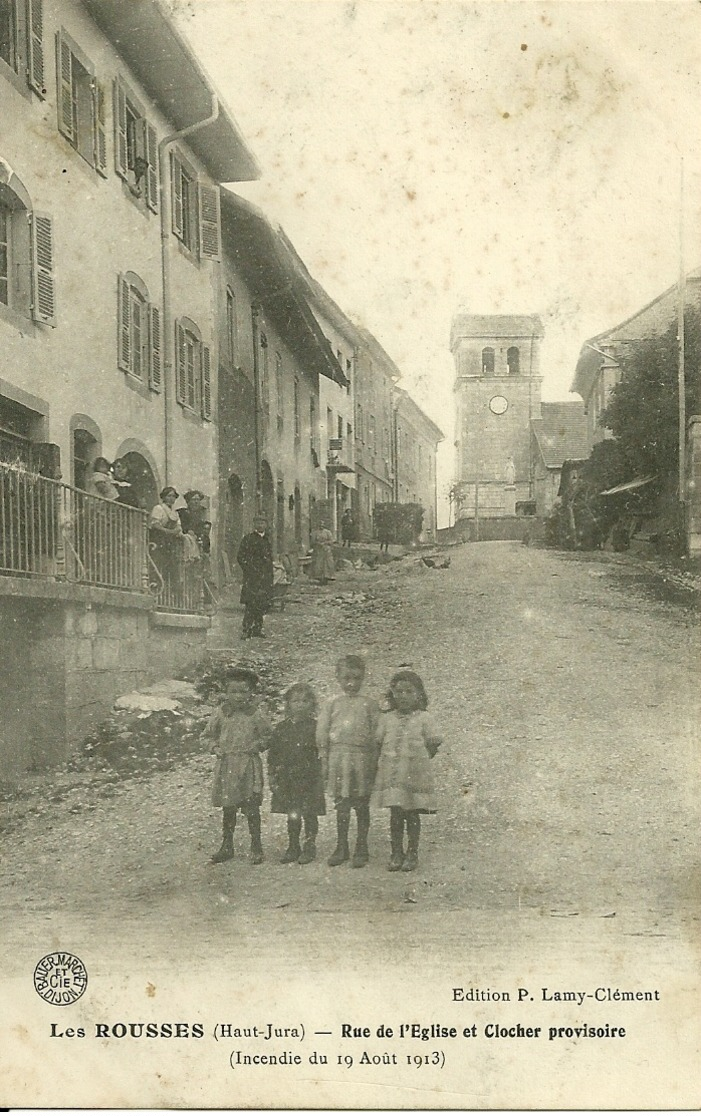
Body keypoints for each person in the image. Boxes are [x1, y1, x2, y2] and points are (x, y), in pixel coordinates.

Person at [374, 669, 442, 873]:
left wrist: (419, 762)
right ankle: (396, 852)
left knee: (412, 814)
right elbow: (378, 742)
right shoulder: (387, 719)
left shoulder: (424, 718)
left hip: (414, 774)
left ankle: (412, 852)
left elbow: (433, 743)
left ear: (419, 694)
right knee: (395, 814)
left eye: (409, 691)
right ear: (392, 694)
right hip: (393, 776)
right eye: (399, 691)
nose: (403, 696)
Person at [316, 654, 380, 869]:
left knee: (361, 804)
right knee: (342, 804)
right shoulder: (332, 704)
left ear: (363, 678)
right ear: (338, 678)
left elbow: (376, 734)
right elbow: (322, 732)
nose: (351, 683)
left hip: (361, 759)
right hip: (339, 758)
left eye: (356, 678)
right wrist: (324, 758)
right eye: (346, 678)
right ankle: (341, 846)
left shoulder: (370, 705)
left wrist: (374, 761)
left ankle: (361, 846)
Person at [203, 669, 272, 865]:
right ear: (225, 692)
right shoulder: (221, 714)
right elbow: (206, 736)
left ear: (251, 693)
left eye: (243, 692)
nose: (238, 696)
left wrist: (258, 746)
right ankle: (227, 845)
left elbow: (269, 736)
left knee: (252, 808)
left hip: (249, 766)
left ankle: (256, 845)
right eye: (233, 691)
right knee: (228, 807)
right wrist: (214, 747)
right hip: (227, 767)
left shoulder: (255, 714)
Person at [267, 683, 326, 864]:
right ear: (288, 704)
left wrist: (323, 775)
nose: (300, 704)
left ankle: (309, 844)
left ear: (312, 704)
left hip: (310, 778)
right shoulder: (281, 728)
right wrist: (272, 775)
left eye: (305, 701)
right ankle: (293, 845)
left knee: (310, 812)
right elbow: (273, 754)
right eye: (296, 701)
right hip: (288, 779)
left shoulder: (317, 728)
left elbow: (322, 753)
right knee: (293, 814)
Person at [237, 515, 273, 639]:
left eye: (263, 523)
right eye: (258, 523)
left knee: (262, 603)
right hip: (252, 577)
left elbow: (269, 560)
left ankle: (257, 629)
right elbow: (240, 557)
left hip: (265, 577)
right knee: (251, 603)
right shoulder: (248, 539)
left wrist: (269, 576)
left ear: (266, 525)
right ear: (254, 524)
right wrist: (250, 570)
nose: (260, 525)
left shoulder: (267, 540)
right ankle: (246, 629)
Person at [148, 487, 183, 596]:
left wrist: (174, 532)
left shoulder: (175, 513)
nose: (171, 498)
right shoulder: (159, 508)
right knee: (158, 564)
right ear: (163, 497)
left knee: (172, 567)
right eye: (169, 496)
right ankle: (155, 591)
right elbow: (155, 524)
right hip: (159, 540)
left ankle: (171, 594)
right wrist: (167, 531)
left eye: (173, 496)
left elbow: (178, 527)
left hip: (170, 542)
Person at [178, 490, 212, 556]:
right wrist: (188, 530)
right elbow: (181, 525)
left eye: (198, 500)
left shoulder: (203, 512)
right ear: (188, 502)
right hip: (187, 539)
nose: (196, 502)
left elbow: (206, 526)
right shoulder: (183, 513)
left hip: (200, 538)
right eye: (193, 499)